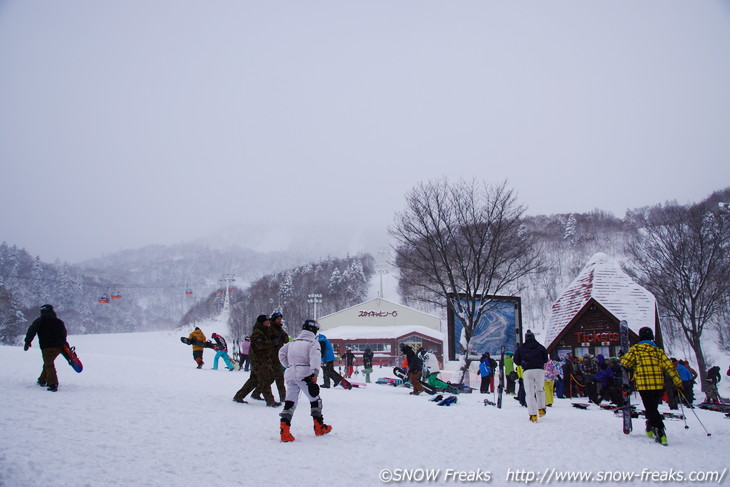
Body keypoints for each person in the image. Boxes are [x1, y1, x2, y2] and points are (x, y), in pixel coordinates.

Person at [621, 326, 682, 446]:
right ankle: (650, 426)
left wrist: (622, 356)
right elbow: (669, 366)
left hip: (643, 384)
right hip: (658, 384)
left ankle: (660, 430)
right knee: (652, 406)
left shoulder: (636, 349)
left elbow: (625, 363)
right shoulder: (658, 351)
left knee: (650, 408)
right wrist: (677, 381)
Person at [277, 319, 332, 442]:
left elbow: (281, 353)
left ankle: (284, 431)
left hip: (291, 374)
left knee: (290, 401)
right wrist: (315, 372)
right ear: (314, 330)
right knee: (315, 399)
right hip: (305, 374)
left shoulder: (292, 342)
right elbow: (315, 357)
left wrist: (289, 365)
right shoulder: (313, 342)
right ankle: (319, 427)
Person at [232, 315, 281, 407]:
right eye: (266, 321)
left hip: (264, 360)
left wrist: (273, 337)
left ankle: (239, 396)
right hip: (259, 361)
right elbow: (259, 345)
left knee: (254, 380)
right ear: (262, 322)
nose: (268, 323)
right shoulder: (257, 333)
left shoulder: (265, 331)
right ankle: (270, 401)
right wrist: (271, 342)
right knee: (265, 380)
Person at [23, 304, 68, 392]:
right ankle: (42, 380)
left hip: (47, 347)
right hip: (59, 347)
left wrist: (27, 342)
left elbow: (31, 331)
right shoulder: (59, 322)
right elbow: (64, 334)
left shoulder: (40, 321)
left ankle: (53, 384)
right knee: (48, 363)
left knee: (49, 365)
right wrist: (65, 345)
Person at [513, 329, 548, 422]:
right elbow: (545, 359)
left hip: (527, 371)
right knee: (540, 390)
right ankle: (541, 409)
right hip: (539, 370)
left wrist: (523, 363)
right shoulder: (540, 347)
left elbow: (516, 360)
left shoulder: (521, 348)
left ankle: (533, 415)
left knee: (529, 393)